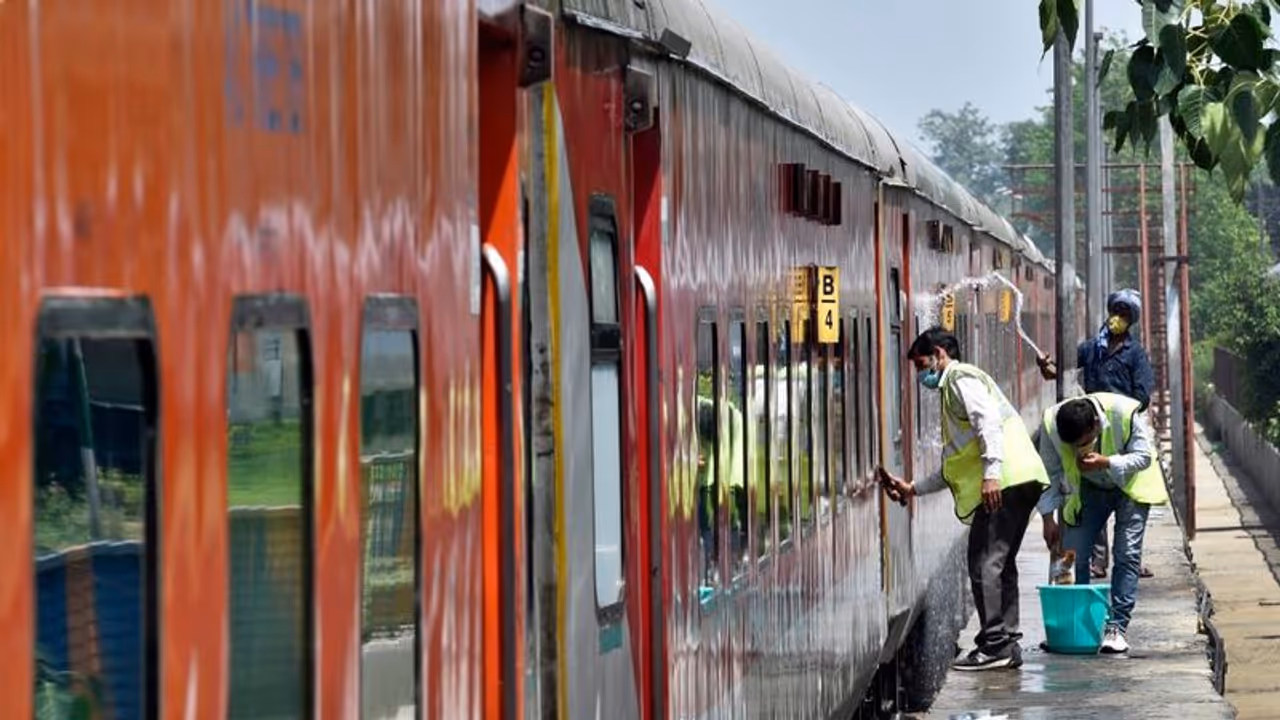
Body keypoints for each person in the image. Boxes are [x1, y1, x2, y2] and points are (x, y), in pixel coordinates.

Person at [878, 328, 1050, 671]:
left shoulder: (959, 379)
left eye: (922, 364)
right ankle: (1006, 639)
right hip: (1020, 476)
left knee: (983, 561)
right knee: (1000, 561)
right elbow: (956, 465)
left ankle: (996, 646)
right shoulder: (955, 388)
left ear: (940, 354)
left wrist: (991, 474)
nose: (920, 375)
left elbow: (987, 423)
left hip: (1006, 479)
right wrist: (913, 489)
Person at [1035, 289, 1156, 579]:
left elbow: (1143, 394)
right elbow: (1060, 371)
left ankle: (1129, 558)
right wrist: (1045, 366)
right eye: (1116, 311)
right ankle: (1097, 560)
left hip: (1120, 431)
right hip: (1090, 427)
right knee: (1092, 492)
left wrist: (1119, 412)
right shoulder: (1091, 349)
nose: (1118, 318)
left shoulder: (1136, 354)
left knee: (1125, 492)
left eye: (1125, 314)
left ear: (1131, 321)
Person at [1036, 393, 1167, 654]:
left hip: (1129, 486)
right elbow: (1049, 472)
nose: (1078, 450)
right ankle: (1074, 623)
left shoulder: (1124, 413)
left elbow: (1143, 456)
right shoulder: (1051, 423)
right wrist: (1048, 517)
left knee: (1126, 555)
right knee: (1068, 555)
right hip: (1088, 488)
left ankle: (1116, 627)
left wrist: (1106, 462)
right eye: (1073, 446)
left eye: (1083, 443)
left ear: (1096, 424)